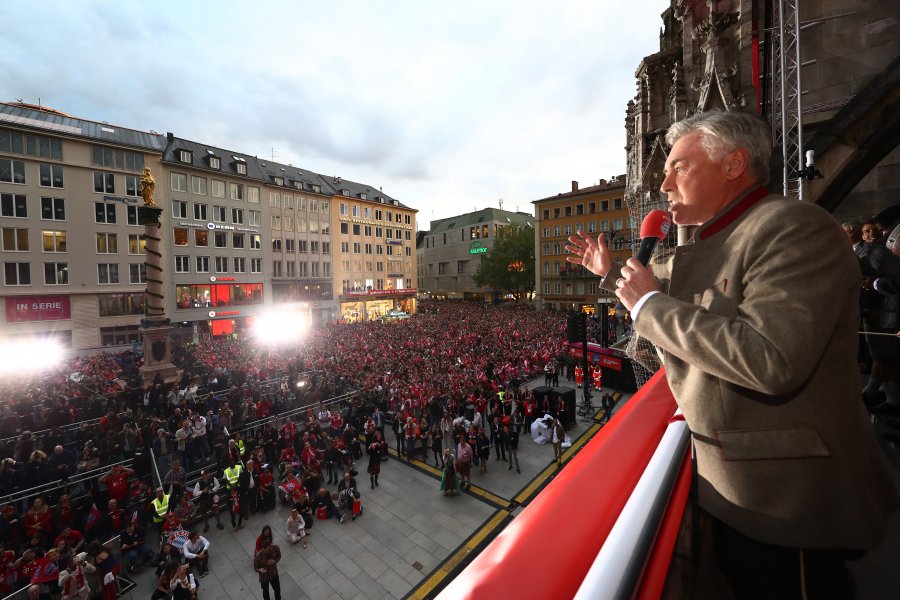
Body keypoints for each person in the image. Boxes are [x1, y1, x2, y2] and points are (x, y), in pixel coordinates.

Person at [566, 109, 899, 599]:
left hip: (788, 499)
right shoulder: (713, 239)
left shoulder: (791, 228)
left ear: (733, 164)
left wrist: (648, 303)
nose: (663, 184)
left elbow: (770, 359)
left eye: (678, 166)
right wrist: (611, 270)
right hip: (740, 486)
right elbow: (653, 294)